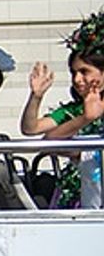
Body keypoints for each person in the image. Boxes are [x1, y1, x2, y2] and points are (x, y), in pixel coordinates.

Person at [20, 11, 104, 209]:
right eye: (74, 73)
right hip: (83, 198)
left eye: (84, 72)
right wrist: (36, 96)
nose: (77, 79)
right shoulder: (75, 110)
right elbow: (32, 130)